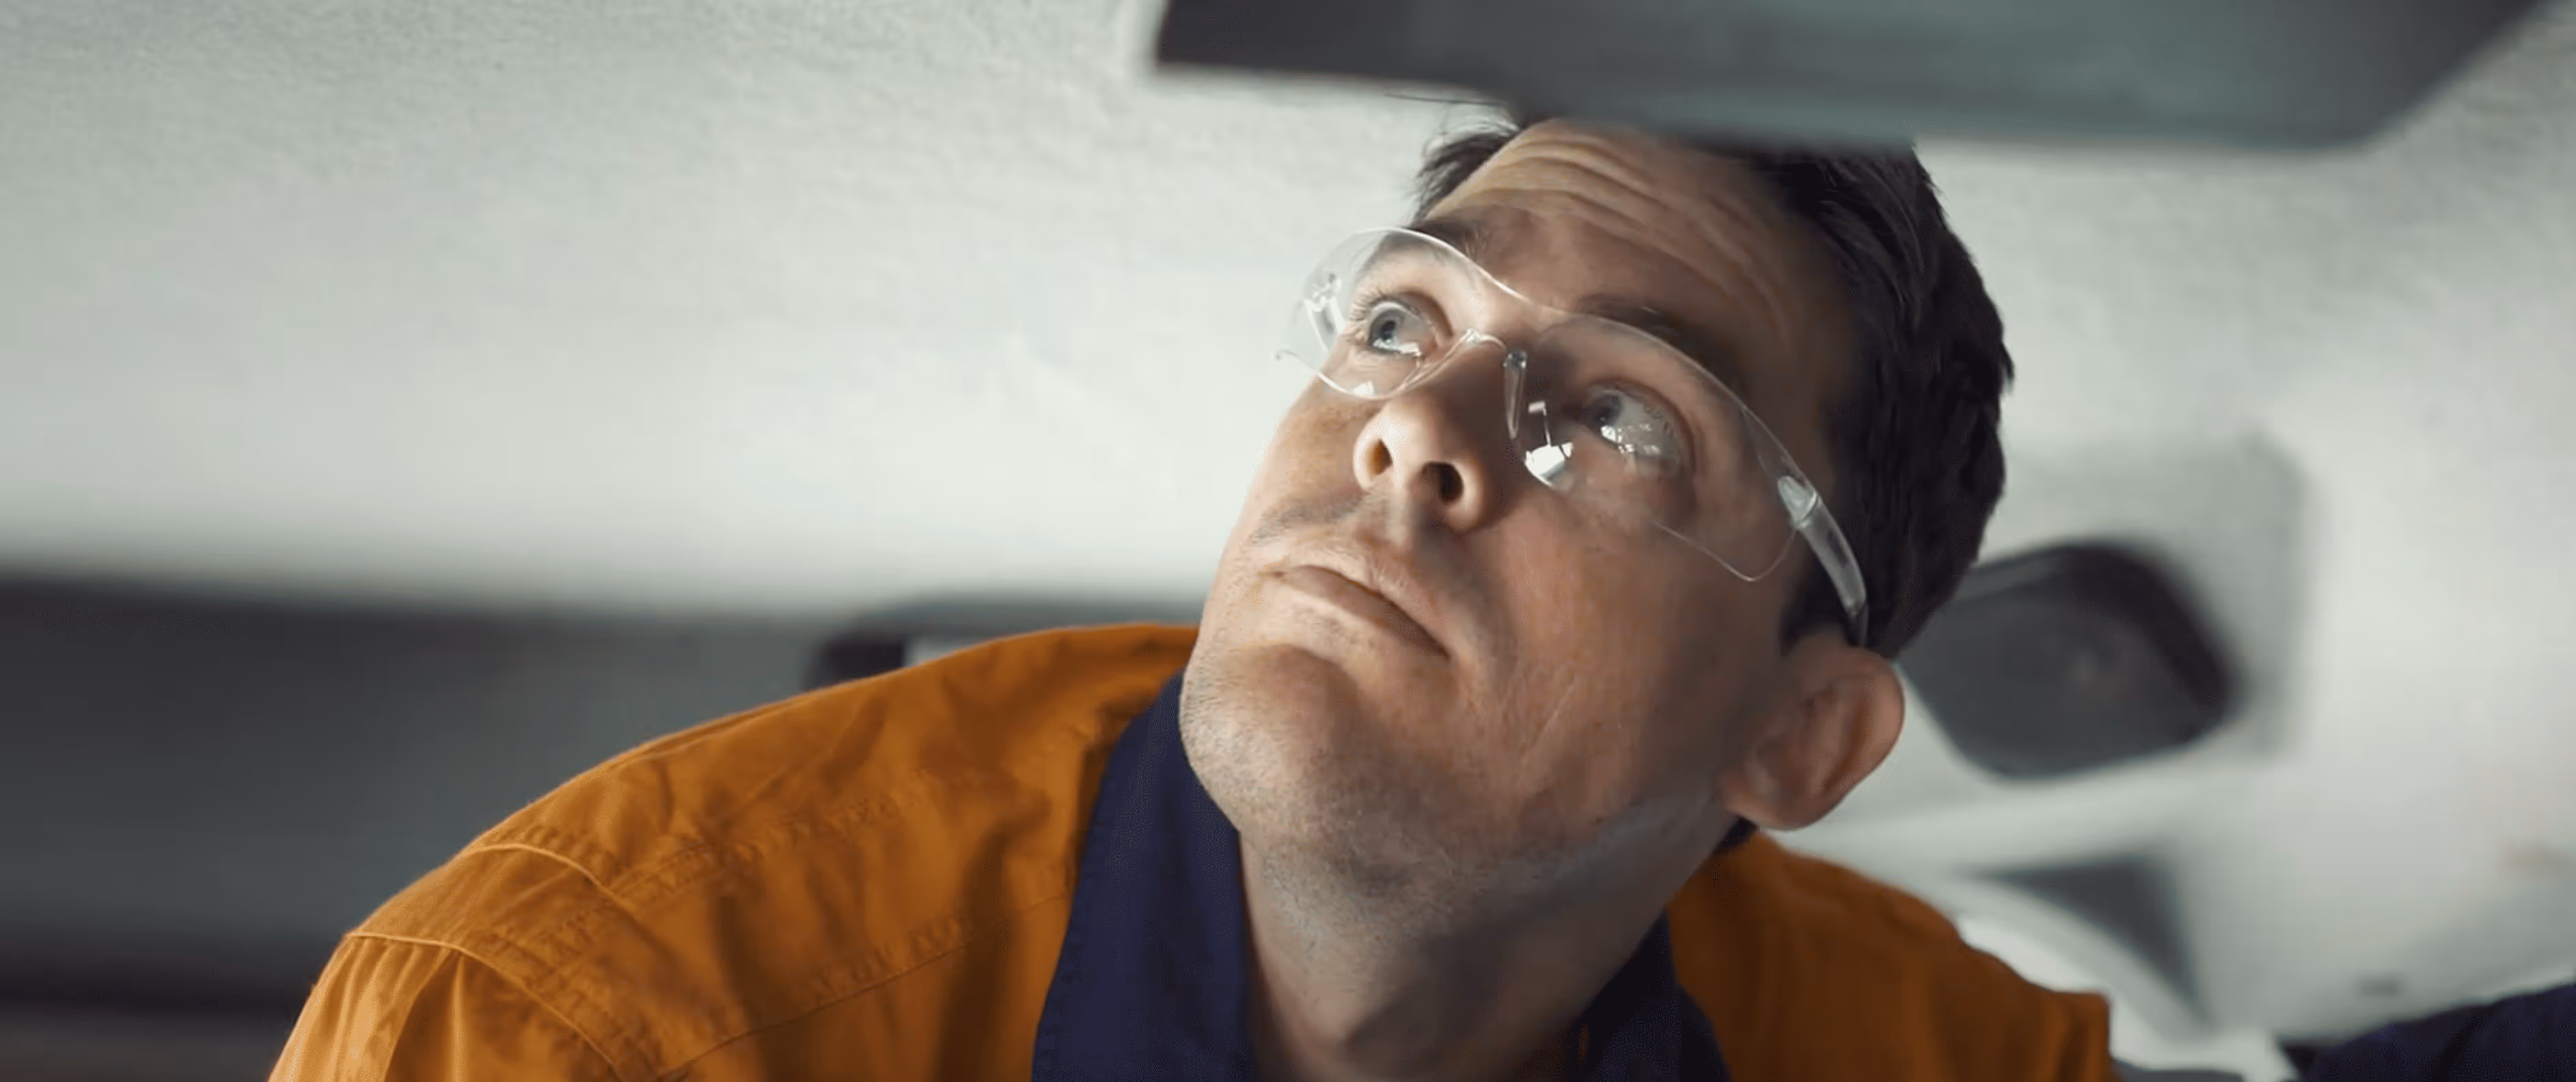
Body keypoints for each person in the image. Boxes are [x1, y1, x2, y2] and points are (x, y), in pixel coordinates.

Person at [271, 111, 2115, 1081]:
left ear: (1800, 737)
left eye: (1624, 417)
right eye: (1402, 323)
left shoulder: (1920, 1054)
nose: (1415, 429)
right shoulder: (569, 1034)